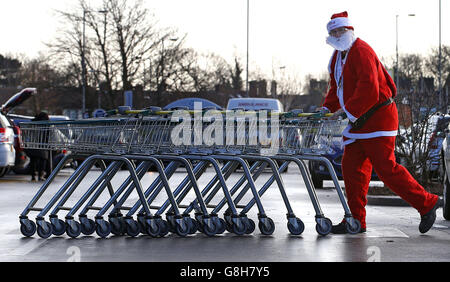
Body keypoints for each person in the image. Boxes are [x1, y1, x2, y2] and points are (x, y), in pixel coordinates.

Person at [320, 11, 440, 234]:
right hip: (358, 123)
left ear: (348, 30)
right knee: (351, 169)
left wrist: (346, 113)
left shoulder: (361, 51)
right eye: (332, 32)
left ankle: (427, 203)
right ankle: (355, 220)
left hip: (378, 118)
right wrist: (327, 108)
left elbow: (370, 89)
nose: (336, 34)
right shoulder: (338, 57)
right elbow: (337, 88)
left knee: (386, 169)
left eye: (339, 30)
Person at [27, 112, 50, 181]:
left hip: (32, 144)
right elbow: (48, 134)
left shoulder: (32, 123)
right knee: (42, 160)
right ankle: (40, 175)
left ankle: (33, 176)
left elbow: (28, 132)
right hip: (42, 144)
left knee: (33, 160)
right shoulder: (46, 123)